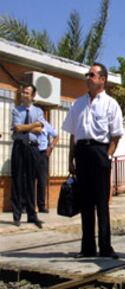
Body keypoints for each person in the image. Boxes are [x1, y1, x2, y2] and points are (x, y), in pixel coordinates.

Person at [62, 62, 124, 259]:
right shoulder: (78, 104)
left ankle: (106, 247)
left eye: (92, 74)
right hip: (82, 152)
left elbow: (116, 135)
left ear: (102, 80)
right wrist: (71, 159)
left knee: (101, 203)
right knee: (86, 202)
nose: (88, 77)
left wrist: (108, 155)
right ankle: (87, 248)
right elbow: (73, 135)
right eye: (87, 74)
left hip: (100, 152)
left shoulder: (111, 104)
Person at [11, 84, 44, 228]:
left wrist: (29, 127)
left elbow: (40, 129)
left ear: (33, 95)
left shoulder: (38, 111)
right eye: (23, 92)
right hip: (19, 147)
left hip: (32, 148)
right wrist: (33, 125)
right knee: (17, 180)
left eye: (27, 93)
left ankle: (32, 215)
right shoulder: (16, 110)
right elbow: (17, 127)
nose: (24, 95)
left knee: (31, 181)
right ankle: (17, 215)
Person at [35, 120, 59, 213]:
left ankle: (41, 206)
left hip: (42, 153)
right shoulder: (29, 122)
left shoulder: (46, 124)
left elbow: (56, 136)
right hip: (31, 152)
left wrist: (51, 147)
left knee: (42, 180)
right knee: (28, 180)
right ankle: (27, 205)